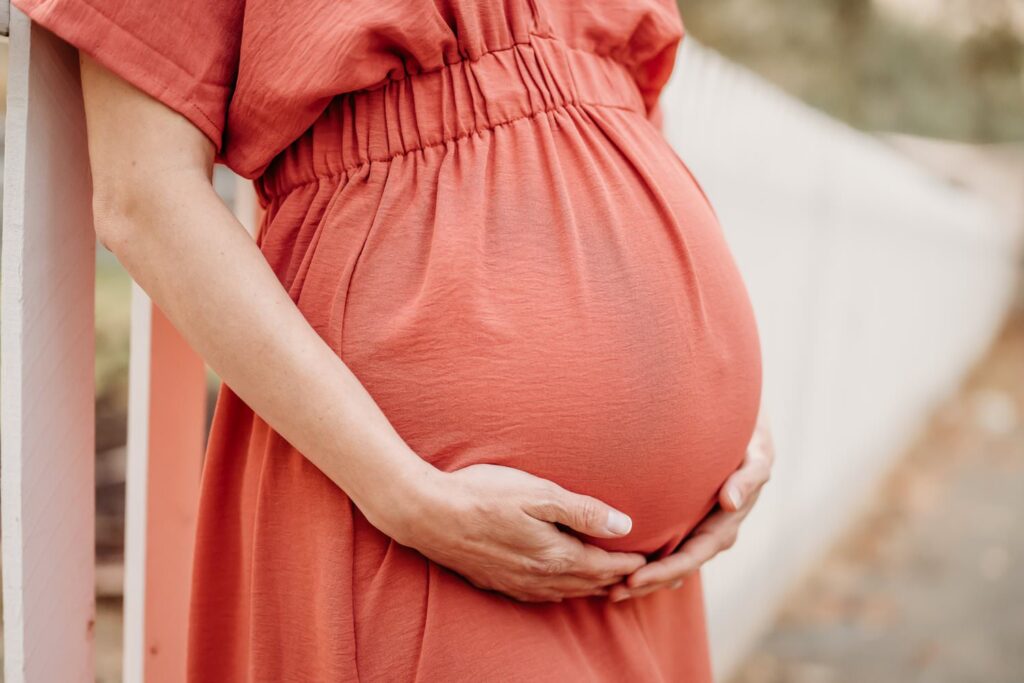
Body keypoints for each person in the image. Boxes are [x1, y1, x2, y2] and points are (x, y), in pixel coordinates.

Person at [14, 0, 775, 679]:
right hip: (429, 513)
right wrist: (406, 495)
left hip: (652, 572)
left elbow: (620, 121)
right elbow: (144, 196)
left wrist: (725, 416)